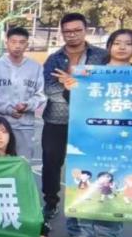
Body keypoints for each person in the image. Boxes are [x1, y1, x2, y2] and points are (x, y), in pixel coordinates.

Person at [56, 29, 132, 237]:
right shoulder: (91, 73)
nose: (122, 47)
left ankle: (109, 233)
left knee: (114, 184)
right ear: (109, 46)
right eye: (117, 42)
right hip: (90, 138)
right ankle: (79, 231)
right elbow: (73, 100)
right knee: (85, 181)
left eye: (128, 43)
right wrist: (70, 88)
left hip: (123, 142)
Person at [41, 13, 109, 220]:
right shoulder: (54, 59)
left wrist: (75, 86)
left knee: (91, 163)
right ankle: (50, 202)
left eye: (77, 30)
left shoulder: (102, 57)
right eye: (67, 31)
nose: (72, 35)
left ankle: (91, 203)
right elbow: (50, 89)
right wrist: (78, 91)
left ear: (86, 30)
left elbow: (110, 85)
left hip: (91, 122)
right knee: (51, 164)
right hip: (57, 119)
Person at [0, 26, 46, 160]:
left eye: (22, 42)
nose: (17, 46)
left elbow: (41, 94)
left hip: (25, 126)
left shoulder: (36, 67)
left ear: (27, 44)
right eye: (13, 42)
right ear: (6, 42)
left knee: (22, 163)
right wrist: (8, 109)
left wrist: (27, 105)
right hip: (0, 126)